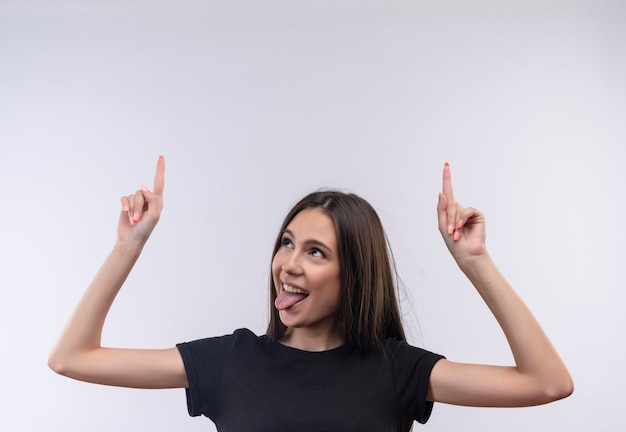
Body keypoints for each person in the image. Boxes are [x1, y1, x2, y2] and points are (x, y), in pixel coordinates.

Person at [48, 156, 573, 431]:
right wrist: (128, 246)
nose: (288, 265)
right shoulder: (231, 361)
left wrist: (475, 262)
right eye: (286, 244)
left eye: (316, 253)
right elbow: (73, 358)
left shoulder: (395, 370)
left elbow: (547, 383)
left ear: (355, 275)